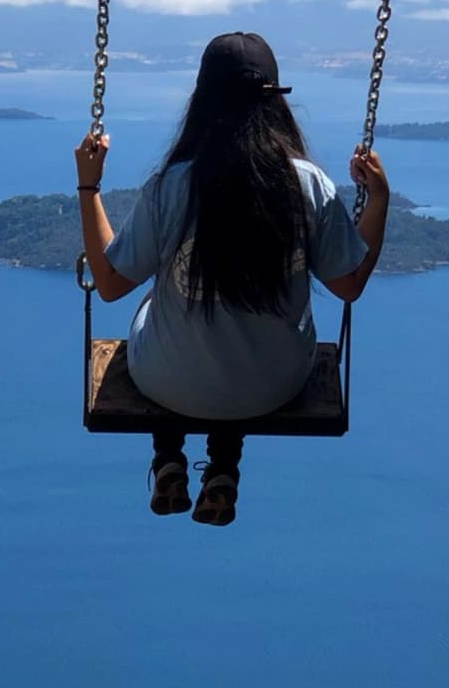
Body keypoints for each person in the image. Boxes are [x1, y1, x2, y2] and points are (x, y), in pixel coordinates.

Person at [75, 31, 389, 526]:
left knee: (158, 305)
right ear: (275, 106)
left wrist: (89, 185)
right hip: (275, 385)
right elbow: (349, 284)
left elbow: (111, 284)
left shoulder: (172, 187)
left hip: (168, 385)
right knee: (240, 328)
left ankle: (169, 459)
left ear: (202, 102)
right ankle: (223, 467)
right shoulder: (308, 185)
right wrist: (380, 201)